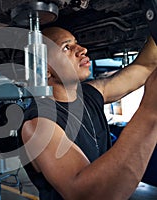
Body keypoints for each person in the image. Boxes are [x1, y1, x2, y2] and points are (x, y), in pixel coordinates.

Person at [19, 26, 157, 200]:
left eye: (77, 43)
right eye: (66, 47)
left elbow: (145, 66)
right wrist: (150, 112)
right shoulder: (38, 124)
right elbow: (89, 195)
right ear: (44, 70)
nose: (82, 50)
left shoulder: (90, 95)